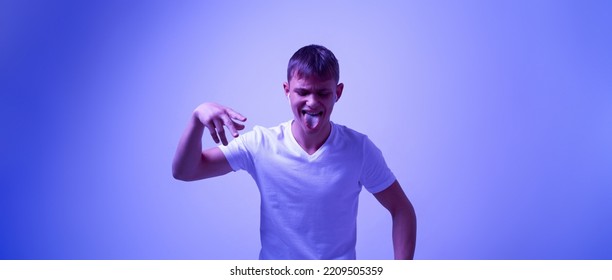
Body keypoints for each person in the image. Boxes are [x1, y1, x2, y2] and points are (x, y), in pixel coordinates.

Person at [172, 44, 416, 260]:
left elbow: (402, 209)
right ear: (287, 90)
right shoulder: (260, 144)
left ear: (338, 93)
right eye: (302, 92)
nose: (312, 102)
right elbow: (185, 171)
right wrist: (196, 119)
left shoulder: (359, 149)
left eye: (323, 93)